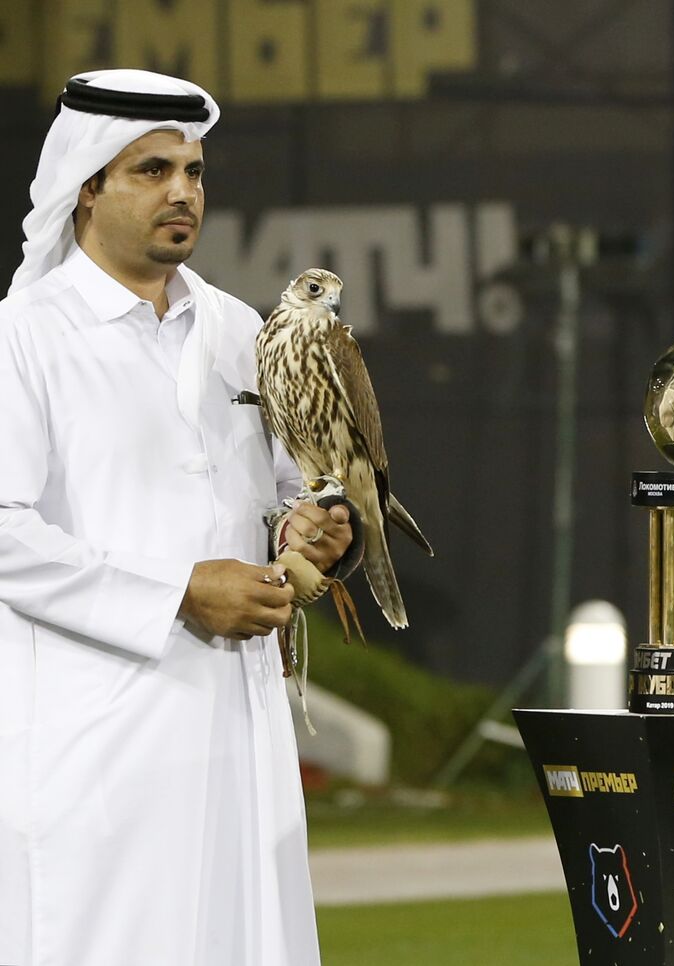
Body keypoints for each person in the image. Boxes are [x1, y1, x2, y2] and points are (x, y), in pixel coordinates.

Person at [0, 70, 354, 965]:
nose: (183, 193)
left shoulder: (241, 328)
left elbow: (288, 493)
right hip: (97, 741)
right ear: (87, 186)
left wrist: (314, 534)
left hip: (240, 731)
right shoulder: (24, 334)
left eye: (193, 173)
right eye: (151, 171)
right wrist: (177, 594)